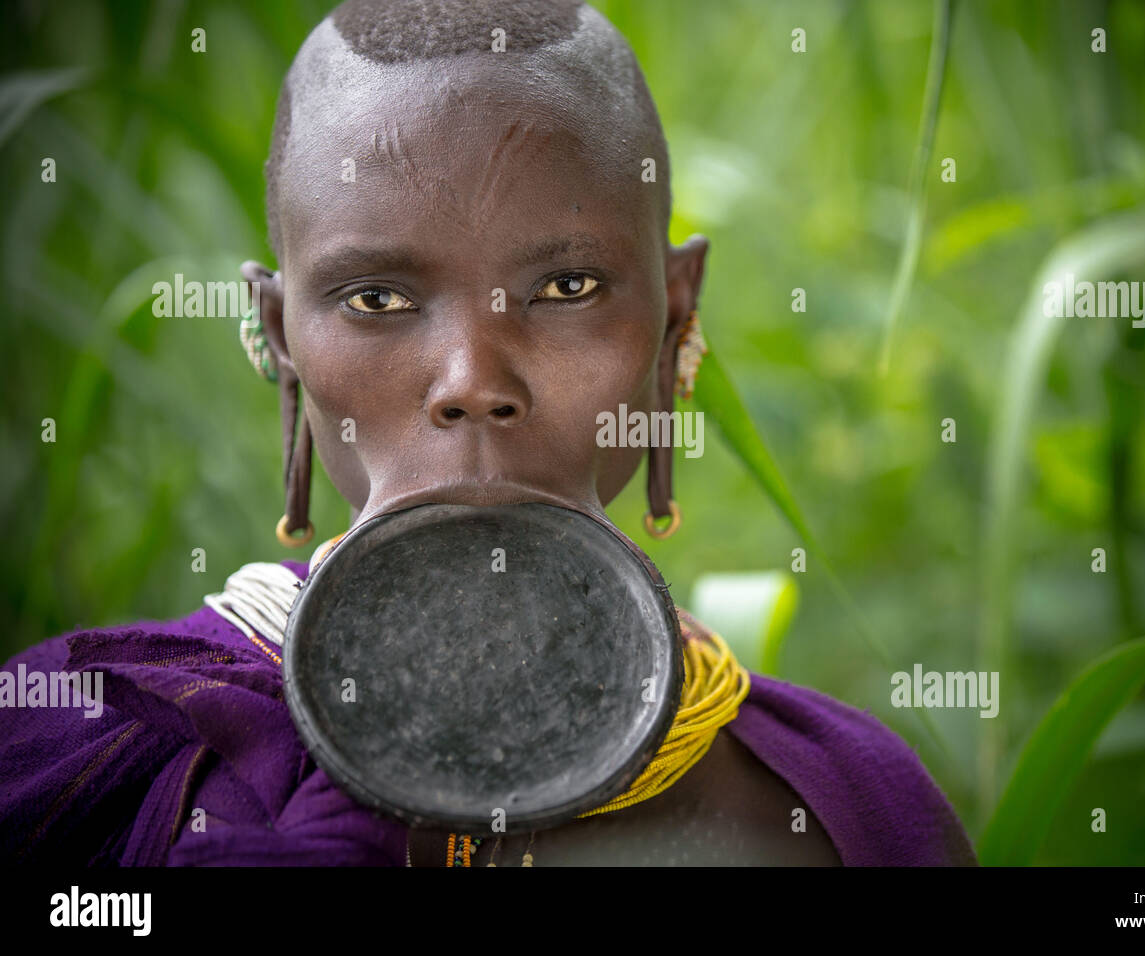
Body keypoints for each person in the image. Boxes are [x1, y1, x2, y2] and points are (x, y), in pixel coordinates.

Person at [0, 0, 976, 866]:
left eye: (568, 289)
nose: (472, 383)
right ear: (280, 338)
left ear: (677, 316)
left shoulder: (837, 804)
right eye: (376, 296)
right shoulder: (89, 735)